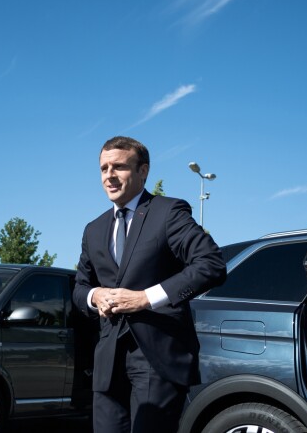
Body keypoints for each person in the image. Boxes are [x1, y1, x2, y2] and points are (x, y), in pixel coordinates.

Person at [73, 136, 226, 433]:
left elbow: (211, 264)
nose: (109, 176)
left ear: (143, 171)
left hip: (157, 357)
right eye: (103, 168)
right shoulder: (93, 229)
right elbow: (79, 287)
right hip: (108, 362)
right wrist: (96, 295)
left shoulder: (168, 212)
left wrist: (145, 298)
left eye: (119, 167)